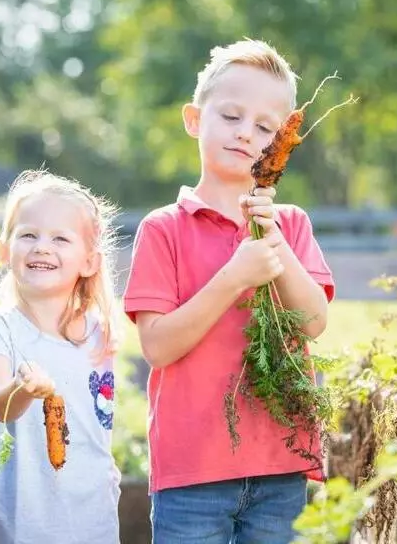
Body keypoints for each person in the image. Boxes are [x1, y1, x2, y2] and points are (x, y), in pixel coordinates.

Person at [123, 39, 335, 543]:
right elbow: (158, 347)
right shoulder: (162, 229)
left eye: (264, 128)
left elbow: (313, 323)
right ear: (195, 120)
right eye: (232, 116)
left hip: (281, 463)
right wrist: (235, 276)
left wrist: (274, 243)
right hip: (191, 473)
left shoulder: (291, 224)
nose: (245, 133)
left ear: (281, 146)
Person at [0, 169, 121, 544]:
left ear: (89, 262)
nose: (42, 247)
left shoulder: (98, 332)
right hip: (26, 523)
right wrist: (23, 389)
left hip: (95, 517)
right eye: (28, 235)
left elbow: (96, 426)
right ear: (4, 251)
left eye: (60, 238)